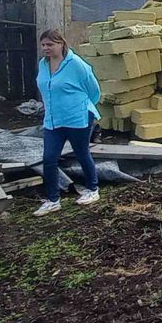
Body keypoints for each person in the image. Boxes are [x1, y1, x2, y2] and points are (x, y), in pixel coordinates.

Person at [33, 29, 102, 217]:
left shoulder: (75, 64)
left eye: (50, 44)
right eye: (44, 44)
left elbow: (93, 89)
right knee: (49, 158)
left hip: (77, 117)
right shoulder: (43, 64)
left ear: (61, 44)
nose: (46, 48)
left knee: (81, 152)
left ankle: (92, 189)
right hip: (53, 119)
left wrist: (82, 105)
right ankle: (53, 200)